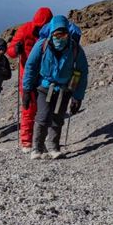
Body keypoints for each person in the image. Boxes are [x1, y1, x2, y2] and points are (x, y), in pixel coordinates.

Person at [22, 15, 89, 159]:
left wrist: (77, 97)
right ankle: (37, 148)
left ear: (68, 34)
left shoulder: (75, 48)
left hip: (63, 90)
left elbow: (82, 72)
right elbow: (31, 66)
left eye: (63, 34)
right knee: (43, 116)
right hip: (44, 87)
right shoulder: (42, 45)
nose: (60, 37)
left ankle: (54, 147)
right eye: (56, 34)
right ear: (51, 33)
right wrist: (27, 89)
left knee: (58, 118)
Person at [6, 7, 53, 153]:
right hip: (26, 76)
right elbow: (10, 52)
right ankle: (26, 141)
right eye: (38, 26)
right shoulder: (25, 30)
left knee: (44, 108)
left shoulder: (52, 32)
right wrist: (16, 50)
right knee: (28, 108)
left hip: (45, 76)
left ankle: (39, 140)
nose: (40, 28)